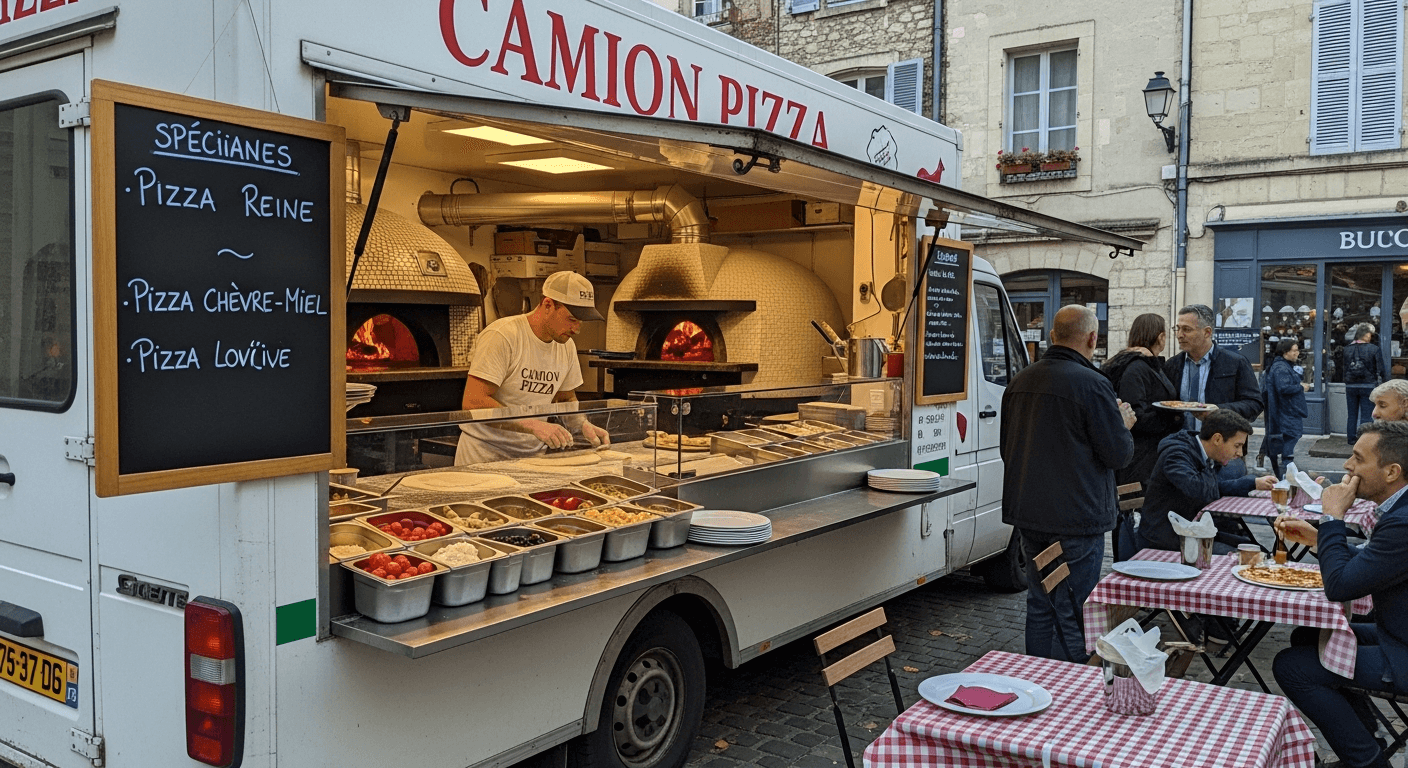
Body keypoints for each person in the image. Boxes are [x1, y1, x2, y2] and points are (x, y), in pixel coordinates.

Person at [1001, 305, 1136, 662]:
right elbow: (1118, 455)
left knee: (1041, 602)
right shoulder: (1093, 384)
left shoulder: (1020, 380)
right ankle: (1066, 689)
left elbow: (1007, 449)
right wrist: (1124, 425)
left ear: (1052, 337)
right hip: (1076, 518)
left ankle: (1040, 678)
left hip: (1031, 514)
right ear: (1093, 338)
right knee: (1073, 609)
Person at [1272, 420, 1408, 768]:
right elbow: (1379, 560)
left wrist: (1332, 517)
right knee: (1310, 635)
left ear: (1392, 471)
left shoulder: (1403, 520)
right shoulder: (1399, 511)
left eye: (1358, 458)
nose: (1348, 465)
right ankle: (1369, 739)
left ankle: (1366, 763)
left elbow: (1341, 586)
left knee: (1292, 667)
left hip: (1403, 648)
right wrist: (1320, 539)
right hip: (1397, 632)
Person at [454, 271, 611, 464]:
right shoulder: (503, 335)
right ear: (547, 305)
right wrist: (533, 425)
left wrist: (582, 424)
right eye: (572, 319)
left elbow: (565, 397)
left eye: (581, 321)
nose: (577, 329)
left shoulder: (566, 345)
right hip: (484, 455)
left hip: (532, 458)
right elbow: (474, 402)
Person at [1102, 313, 1183, 559]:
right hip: (1139, 460)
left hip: (1148, 457)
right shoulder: (1136, 368)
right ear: (1160, 337)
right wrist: (1173, 417)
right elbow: (1135, 416)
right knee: (1131, 516)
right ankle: (1127, 565)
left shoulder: (1146, 365)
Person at [1136, 409, 1271, 554]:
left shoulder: (1200, 452)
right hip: (1166, 540)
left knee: (1258, 550)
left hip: (1192, 532)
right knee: (1252, 557)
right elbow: (1198, 489)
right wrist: (1213, 463)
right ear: (1217, 439)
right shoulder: (1176, 454)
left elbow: (1213, 488)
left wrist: (1252, 483)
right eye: (1237, 446)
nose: (1239, 453)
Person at [1164, 304, 1264, 428]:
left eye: (1186, 329)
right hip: (1180, 442)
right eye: (1177, 329)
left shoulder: (1235, 363)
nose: (1179, 335)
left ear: (1207, 332)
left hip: (1220, 442)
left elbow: (1254, 405)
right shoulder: (1172, 365)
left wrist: (1219, 411)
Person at [1263, 338, 1309, 479]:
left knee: (1290, 437)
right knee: (1291, 436)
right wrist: (1301, 387)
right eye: (1294, 350)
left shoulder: (1281, 365)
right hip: (1287, 411)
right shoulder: (1281, 367)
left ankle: (1286, 470)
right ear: (1285, 352)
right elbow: (1283, 388)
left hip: (1287, 410)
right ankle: (1286, 471)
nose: (1297, 353)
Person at [1344, 323, 1389, 445]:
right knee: (1366, 415)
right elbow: (1381, 369)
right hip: (1368, 385)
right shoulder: (1374, 349)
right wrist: (1385, 383)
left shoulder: (1346, 349)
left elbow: (1342, 368)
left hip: (1350, 386)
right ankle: (1363, 440)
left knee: (1352, 414)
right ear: (1366, 335)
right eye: (1370, 334)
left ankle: (1351, 438)